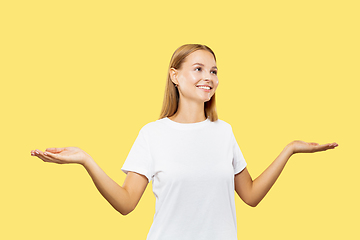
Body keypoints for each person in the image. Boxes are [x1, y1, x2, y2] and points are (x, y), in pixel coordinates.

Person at [31, 44, 338, 240]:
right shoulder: (152, 134)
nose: (210, 77)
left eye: (214, 71)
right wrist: (86, 159)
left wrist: (289, 150)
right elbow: (126, 203)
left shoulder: (224, 132)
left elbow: (251, 195)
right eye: (199, 69)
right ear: (175, 76)